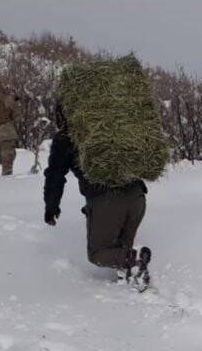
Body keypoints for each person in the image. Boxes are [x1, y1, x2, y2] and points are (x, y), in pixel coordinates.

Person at [43, 107, 150, 278]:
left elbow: (55, 176)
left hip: (106, 200)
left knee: (98, 254)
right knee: (121, 249)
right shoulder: (110, 124)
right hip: (137, 196)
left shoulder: (66, 138)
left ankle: (135, 260)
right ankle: (131, 275)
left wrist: (51, 207)